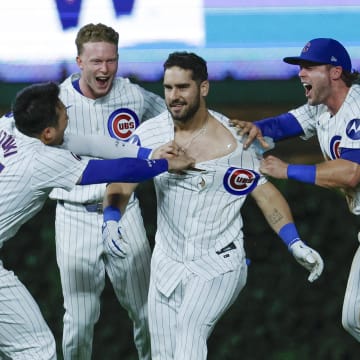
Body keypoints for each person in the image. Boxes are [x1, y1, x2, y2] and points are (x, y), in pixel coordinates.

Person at [102, 51, 325, 360]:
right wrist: (111, 218)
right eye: (168, 88)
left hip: (220, 263)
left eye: (183, 87)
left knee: (190, 337)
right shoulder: (150, 134)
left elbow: (265, 193)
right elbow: (122, 181)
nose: (174, 96)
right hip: (167, 262)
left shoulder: (236, 140)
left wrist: (294, 241)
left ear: (203, 88)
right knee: (162, 355)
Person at [0, 82, 193, 360]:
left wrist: (148, 153)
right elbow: (115, 169)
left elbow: (89, 142)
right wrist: (163, 164)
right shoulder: (42, 159)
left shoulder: (9, 124)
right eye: (61, 108)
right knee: (37, 349)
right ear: (47, 132)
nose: (66, 109)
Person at [48, 23, 168, 359]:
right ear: (79, 62)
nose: (104, 69)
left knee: (147, 312)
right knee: (80, 321)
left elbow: (173, 118)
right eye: (96, 62)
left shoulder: (132, 94)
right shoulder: (56, 102)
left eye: (111, 61)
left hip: (125, 212)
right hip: (73, 214)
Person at [232, 38, 360, 342]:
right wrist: (257, 128)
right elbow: (282, 124)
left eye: (309, 67)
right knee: (354, 318)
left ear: (335, 72)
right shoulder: (321, 109)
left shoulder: (356, 107)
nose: (301, 73)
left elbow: (353, 173)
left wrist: (287, 170)